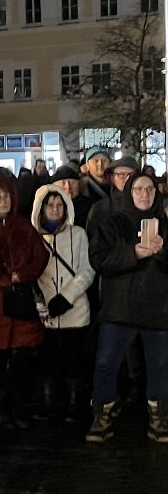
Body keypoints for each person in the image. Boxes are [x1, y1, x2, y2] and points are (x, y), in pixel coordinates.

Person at [86, 172, 168, 443]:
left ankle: (159, 417)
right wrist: (134, 253)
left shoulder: (165, 224)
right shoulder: (113, 222)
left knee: (160, 365)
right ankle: (103, 416)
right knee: (106, 363)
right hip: (119, 308)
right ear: (129, 193)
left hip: (158, 309)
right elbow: (99, 260)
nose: (145, 194)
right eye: (139, 189)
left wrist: (162, 250)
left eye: (150, 189)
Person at [0, 175, 49, 429]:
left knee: (21, 361)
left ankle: (14, 408)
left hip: (20, 306)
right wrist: (2, 281)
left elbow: (41, 256)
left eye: (6, 195)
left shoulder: (24, 227)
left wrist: (22, 276)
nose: (3, 200)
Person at [30, 184, 94, 422]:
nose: (55, 209)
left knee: (74, 361)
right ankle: (49, 405)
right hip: (45, 313)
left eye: (59, 205)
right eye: (50, 205)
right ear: (41, 208)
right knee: (47, 361)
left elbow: (87, 270)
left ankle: (74, 405)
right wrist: (43, 301)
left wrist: (67, 296)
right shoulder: (33, 238)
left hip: (74, 310)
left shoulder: (78, 234)